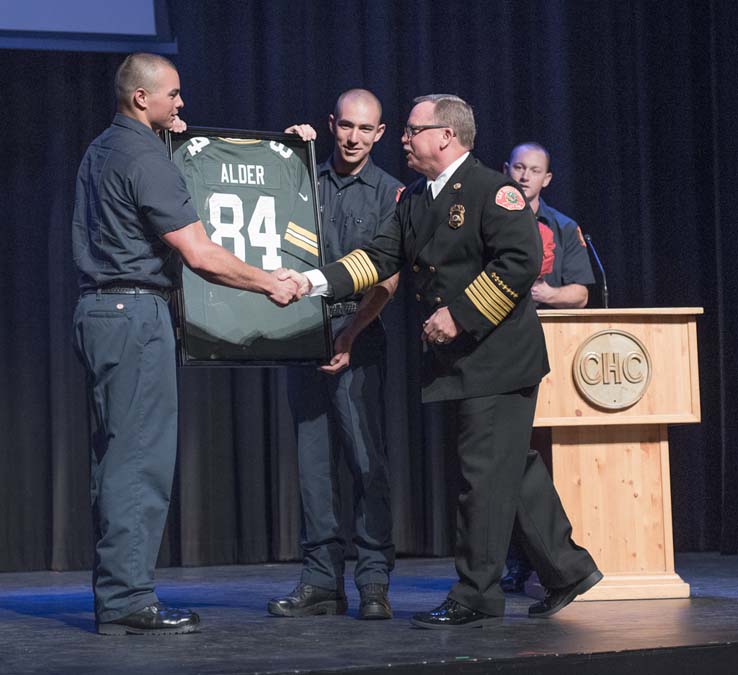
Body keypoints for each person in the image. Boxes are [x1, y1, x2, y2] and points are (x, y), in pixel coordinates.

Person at [284, 94, 601, 629]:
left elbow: (521, 260)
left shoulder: (489, 190)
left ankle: (476, 595)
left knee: (481, 476)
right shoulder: (415, 198)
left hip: (497, 359)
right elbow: (377, 257)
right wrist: (310, 282)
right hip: (464, 363)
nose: (403, 139)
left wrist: (460, 314)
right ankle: (568, 570)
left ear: (446, 137)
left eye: (411, 130)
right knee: (508, 469)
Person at [71, 52, 303, 636]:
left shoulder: (104, 147)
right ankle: (128, 599)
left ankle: (119, 592)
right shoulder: (144, 157)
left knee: (116, 454)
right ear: (141, 98)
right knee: (140, 457)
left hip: (99, 311)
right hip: (134, 314)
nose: (181, 105)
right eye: (172, 95)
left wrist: (171, 137)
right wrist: (267, 281)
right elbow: (200, 254)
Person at [267, 90, 402, 621]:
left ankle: (372, 580)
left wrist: (349, 336)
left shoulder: (392, 193)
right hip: (303, 337)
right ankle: (322, 582)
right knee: (313, 464)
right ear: (331, 125)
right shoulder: (303, 179)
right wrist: (287, 151)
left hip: (360, 337)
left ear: (381, 133)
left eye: (364, 130)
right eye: (345, 127)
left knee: (367, 463)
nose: (352, 138)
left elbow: (388, 279)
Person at [500, 142, 596, 593]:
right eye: (518, 167)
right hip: (502, 353)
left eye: (533, 170)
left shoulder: (562, 226)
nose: (524, 176)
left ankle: (559, 560)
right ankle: (514, 562)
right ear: (506, 170)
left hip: (556, 358)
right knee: (508, 461)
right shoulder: (492, 216)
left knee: (539, 463)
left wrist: (546, 295)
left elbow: (580, 293)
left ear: (546, 179)